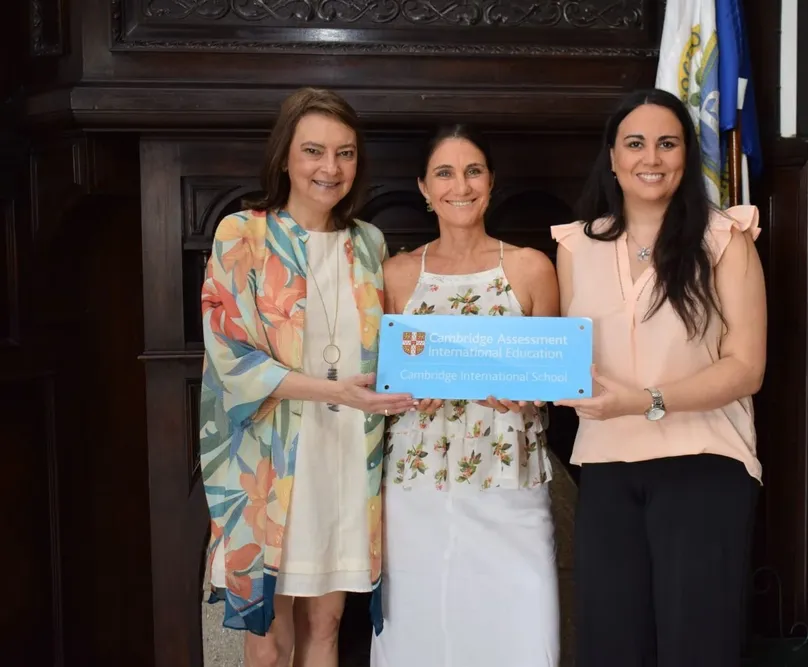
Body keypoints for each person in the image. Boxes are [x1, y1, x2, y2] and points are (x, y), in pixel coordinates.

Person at [200, 87, 415, 667]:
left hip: (347, 455)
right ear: (286, 158)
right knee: (268, 637)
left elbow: (391, 344)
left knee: (327, 624)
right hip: (271, 461)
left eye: (345, 153)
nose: (330, 167)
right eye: (314, 151)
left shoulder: (368, 243)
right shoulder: (241, 233)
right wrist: (335, 391)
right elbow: (232, 356)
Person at [551, 89, 767, 667]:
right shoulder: (575, 244)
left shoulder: (726, 238)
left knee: (696, 645)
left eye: (668, 143)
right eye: (636, 143)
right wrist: (518, 390)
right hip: (605, 468)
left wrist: (646, 400)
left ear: (686, 156)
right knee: (610, 643)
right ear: (614, 158)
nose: (652, 156)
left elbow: (747, 369)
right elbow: (565, 360)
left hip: (704, 462)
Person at [370, 125, 561, 667]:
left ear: (492, 182)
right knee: (420, 635)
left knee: (521, 633)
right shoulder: (396, 275)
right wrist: (404, 393)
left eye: (473, 170)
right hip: (416, 484)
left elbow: (553, 375)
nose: (461, 185)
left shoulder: (531, 267)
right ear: (424, 188)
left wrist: (529, 395)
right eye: (445, 173)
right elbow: (382, 378)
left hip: (511, 483)